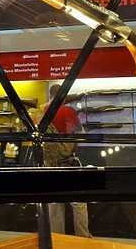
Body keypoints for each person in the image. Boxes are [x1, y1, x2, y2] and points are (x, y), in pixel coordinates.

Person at [41, 84, 91, 238]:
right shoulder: (68, 111)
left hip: (49, 164)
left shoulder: (42, 111)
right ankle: (83, 237)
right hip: (68, 162)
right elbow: (78, 135)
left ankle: (57, 238)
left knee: (55, 204)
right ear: (63, 95)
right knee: (79, 202)